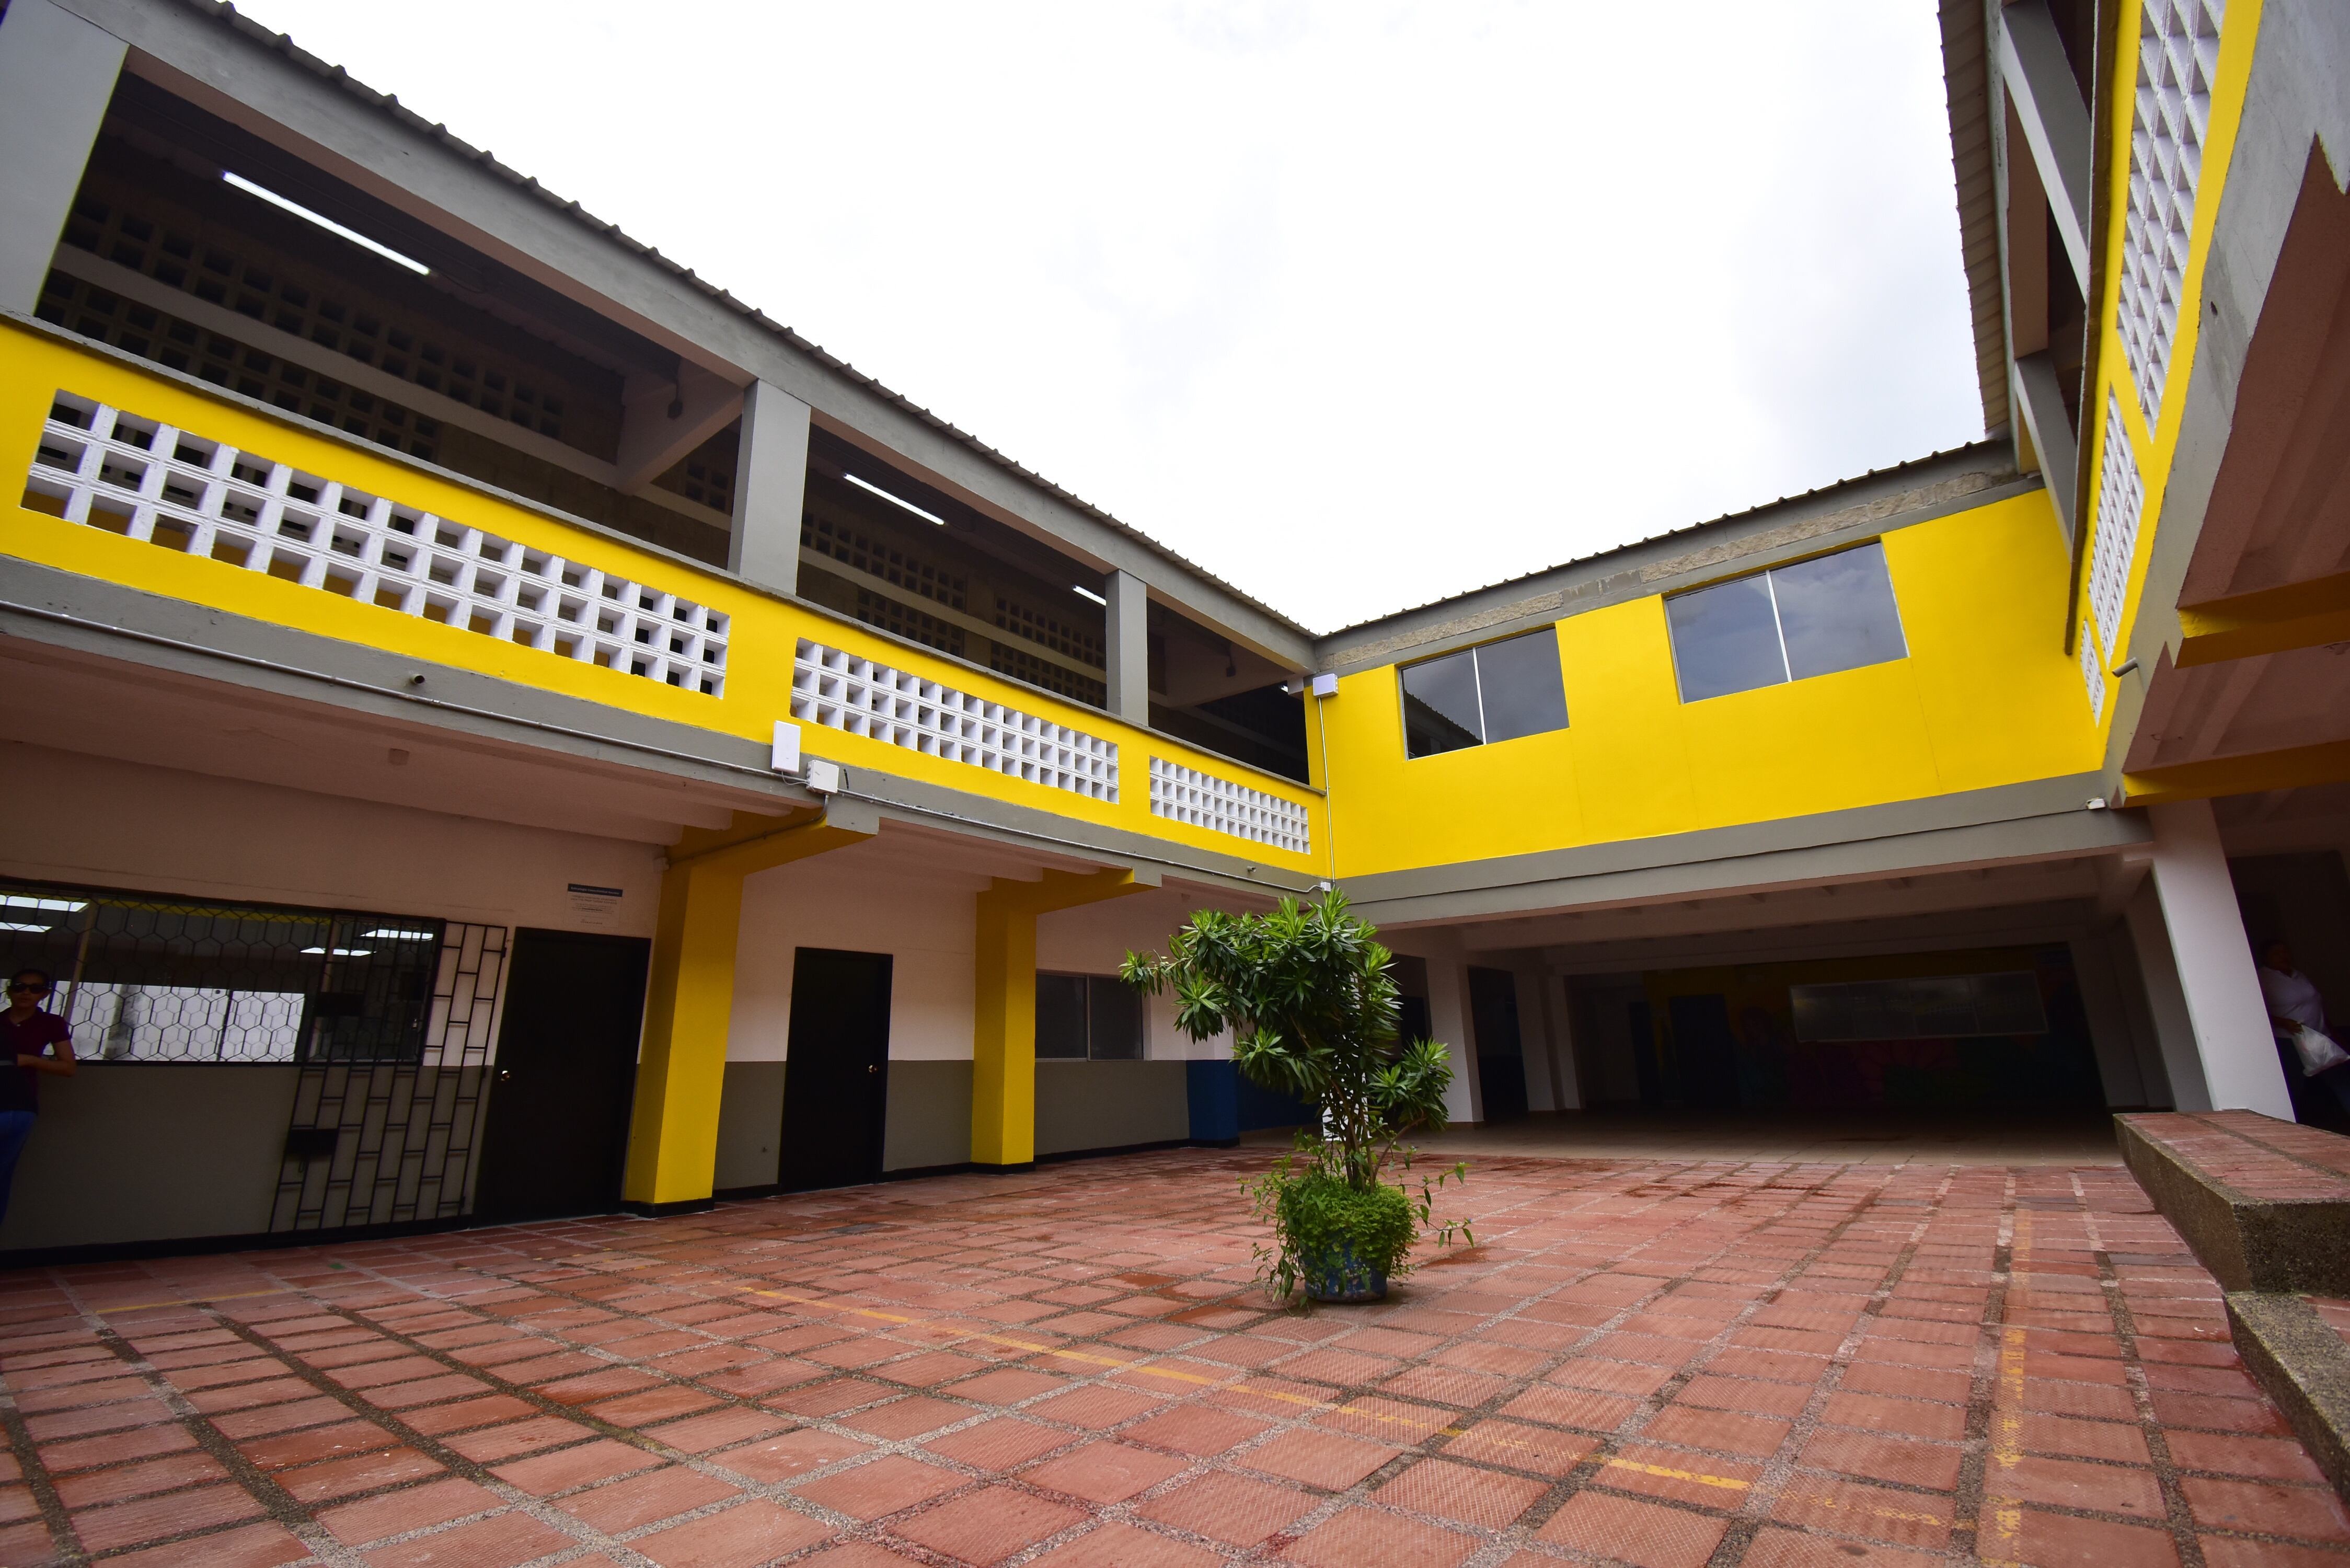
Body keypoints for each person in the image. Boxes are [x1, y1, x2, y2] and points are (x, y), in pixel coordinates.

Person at [0, 969, 76, 1221]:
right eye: (20, 987)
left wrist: (29, 1060)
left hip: (18, 1105)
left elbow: (67, 1067)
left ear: (45, 994)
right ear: (9, 990)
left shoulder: (51, 1024)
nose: (26, 993)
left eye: (34, 989)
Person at [2257, 939, 2350, 1119]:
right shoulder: (2263, 979)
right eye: (2277, 953)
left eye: (2286, 951)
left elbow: (2315, 1006)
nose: (2283, 956)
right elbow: (2258, 1012)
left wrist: (2334, 1034)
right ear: (2266, 958)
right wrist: (2283, 1022)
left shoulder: (2298, 976)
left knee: (2342, 1082)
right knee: (2293, 1088)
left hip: (2321, 1039)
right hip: (2290, 1043)